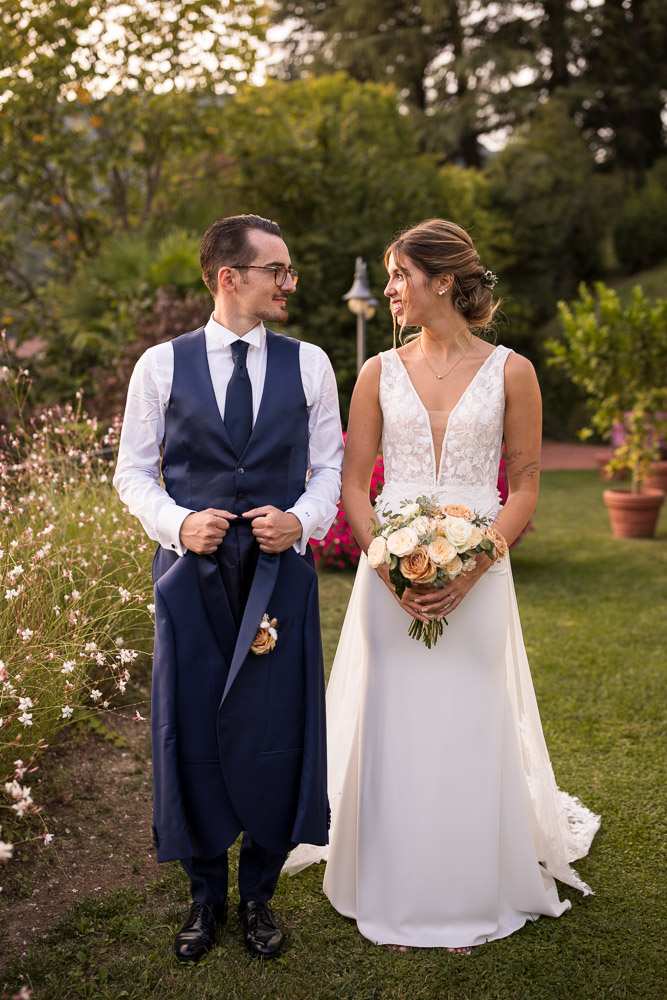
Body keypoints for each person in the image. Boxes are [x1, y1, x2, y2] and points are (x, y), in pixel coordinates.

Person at [284, 219, 599, 952]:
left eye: (398, 276)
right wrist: (383, 564)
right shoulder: (374, 373)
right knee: (394, 723)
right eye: (389, 278)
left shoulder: (511, 371)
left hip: (479, 572)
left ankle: (466, 889)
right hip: (384, 575)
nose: (389, 289)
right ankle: (388, 886)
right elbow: (356, 487)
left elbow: (522, 485)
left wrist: (476, 562)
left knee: (467, 719)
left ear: (443, 282)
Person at [114, 214, 343, 962]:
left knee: (278, 727)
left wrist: (302, 520)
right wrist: (178, 525)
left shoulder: (310, 364)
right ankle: (204, 896)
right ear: (229, 278)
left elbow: (331, 471)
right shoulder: (159, 366)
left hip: (279, 573)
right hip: (190, 577)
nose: (289, 283)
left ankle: (259, 898)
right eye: (277, 269)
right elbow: (133, 473)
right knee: (190, 727)